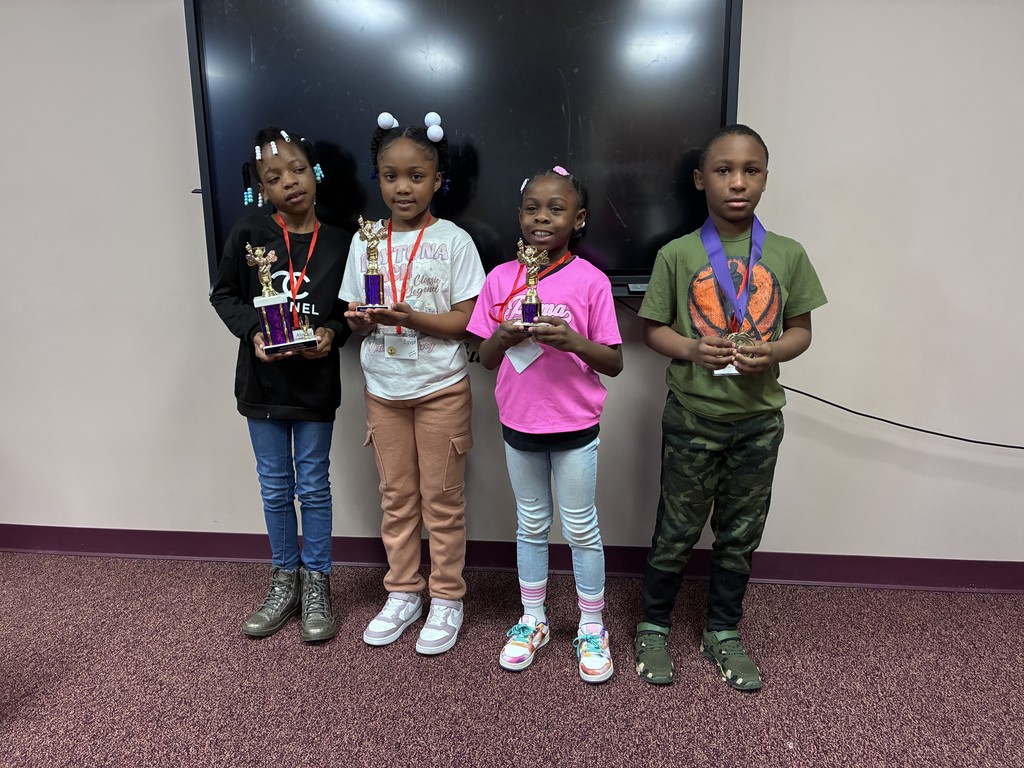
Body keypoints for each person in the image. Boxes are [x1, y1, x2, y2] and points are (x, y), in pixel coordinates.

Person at [633, 124, 827, 690]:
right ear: (701, 180)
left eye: (751, 170)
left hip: (758, 423)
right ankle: (653, 624)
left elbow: (801, 331)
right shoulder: (677, 253)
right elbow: (652, 330)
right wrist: (693, 348)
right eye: (724, 171)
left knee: (740, 534)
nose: (737, 182)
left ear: (765, 178)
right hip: (693, 418)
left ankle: (723, 630)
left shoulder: (788, 254)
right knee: (676, 528)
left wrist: (773, 352)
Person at [467, 166, 623, 683]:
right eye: (532, 208)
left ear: (578, 219)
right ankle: (533, 618)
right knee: (531, 524)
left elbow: (614, 362)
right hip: (520, 426)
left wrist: (572, 341)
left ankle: (592, 625)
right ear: (519, 216)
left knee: (580, 527)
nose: (542, 218)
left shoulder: (592, 280)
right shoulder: (500, 278)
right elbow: (484, 357)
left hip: (575, 427)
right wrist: (504, 336)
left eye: (556, 209)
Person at [340, 112, 486, 655]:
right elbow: (355, 314)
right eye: (390, 176)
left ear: (437, 180)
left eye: (416, 176)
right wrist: (359, 321)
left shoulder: (455, 241)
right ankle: (403, 591)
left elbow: (467, 321)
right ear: (377, 179)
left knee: (442, 500)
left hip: (441, 387)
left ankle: (447, 597)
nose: (403, 187)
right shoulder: (366, 240)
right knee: (396, 498)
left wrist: (412, 318)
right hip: (384, 389)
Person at [210, 126, 351, 643]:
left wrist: (331, 334)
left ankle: (317, 583)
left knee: (313, 486)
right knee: (274, 486)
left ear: (315, 173)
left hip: (315, 386)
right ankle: (284, 581)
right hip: (262, 386)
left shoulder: (341, 242)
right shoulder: (249, 231)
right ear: (262, 188)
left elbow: (349, 310)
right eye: (274, 178)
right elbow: (223, 294)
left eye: (297, 170)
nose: (289, 182)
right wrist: (253, 332)